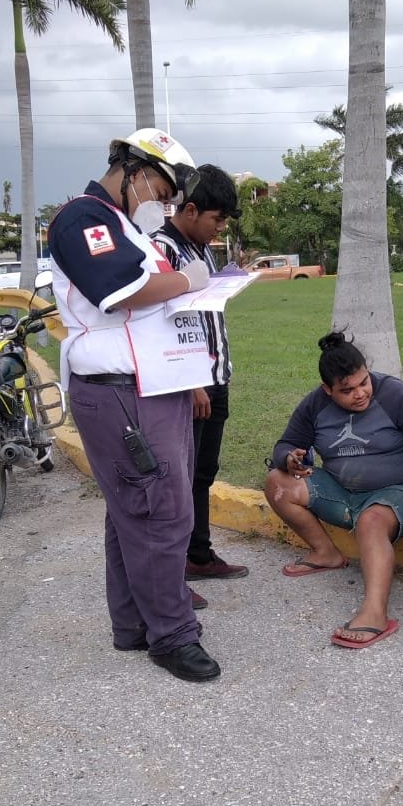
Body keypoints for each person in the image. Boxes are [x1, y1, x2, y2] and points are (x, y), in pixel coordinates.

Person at [47, 127, 221, 683]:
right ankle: (171, 637)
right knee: (160, 514)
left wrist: (181, 284)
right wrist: (186, 278)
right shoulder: (83, 218)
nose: (163, 204)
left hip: (150, 385)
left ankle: (132, 625)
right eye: (161, 190)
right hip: (121, 391)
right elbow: (121, 290)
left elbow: (151, 292)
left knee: (133, 512)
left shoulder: (121, 224)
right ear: (133, 169)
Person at [264, 331, 403, 649]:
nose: (360, 394)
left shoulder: (395, 395)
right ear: (327, 390)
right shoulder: (314, 405)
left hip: (394, 493)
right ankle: (325, 553)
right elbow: (287, 444)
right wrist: (288, 459)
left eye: (364, 382)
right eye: (347, 390)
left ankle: (375, 614)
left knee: (371, 521)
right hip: (341, 493)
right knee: (277, 482)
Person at [148, 164, 250, 595]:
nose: (219, 228)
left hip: (215, 376)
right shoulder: (160, 250)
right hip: (187, 383)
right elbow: (161, 323)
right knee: (178, 480)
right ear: (189, 209)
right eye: (216, 219)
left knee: (203, 473)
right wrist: (191, 383)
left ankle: (198, 554)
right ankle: (171, 575)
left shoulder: (201, 249)